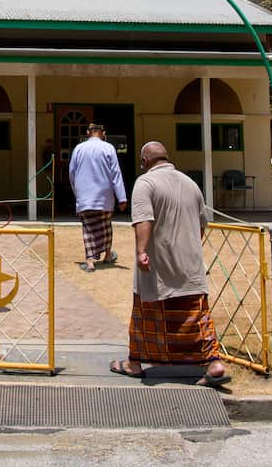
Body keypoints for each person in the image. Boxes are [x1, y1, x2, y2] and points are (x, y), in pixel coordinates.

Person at [110, 140, 231, 388]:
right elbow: (200, 227)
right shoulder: (190, 184)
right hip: (190, 265)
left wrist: (141, 251)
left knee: (146, 314)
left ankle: (135, 363)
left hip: (158, 263)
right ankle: (213, 363)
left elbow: (143, 220)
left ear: (144, 162)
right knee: (195, 316)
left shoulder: (145, 183)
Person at [67, 123, 128, 272]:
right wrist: (122, 197)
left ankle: (89, 262)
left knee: (88, 228)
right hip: (104, 196)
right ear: (103, 133)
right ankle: (107, 255)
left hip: (85, 197)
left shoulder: (79, 149)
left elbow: (72, 173)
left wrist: (78, 194)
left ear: (88, 133)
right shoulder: (108, 148)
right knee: (105, 225)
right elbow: (116, 174)